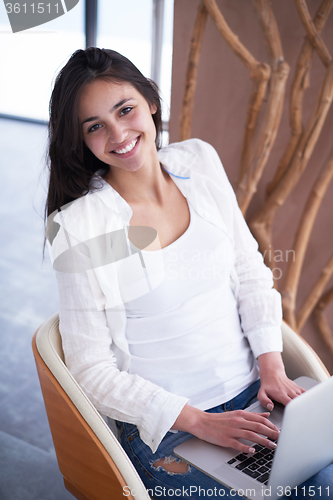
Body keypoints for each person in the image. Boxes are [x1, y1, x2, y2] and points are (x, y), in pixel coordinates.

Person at [45, 47, 332, 499]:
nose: (118, 133)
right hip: (172, 433)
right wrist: (199, 422)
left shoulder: (199, 161)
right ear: (80, 140)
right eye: (95, 126)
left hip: (259, 399)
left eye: (126, 109)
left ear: (151, 102)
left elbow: (249, 270)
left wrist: (272, 367)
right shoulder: (79, 227)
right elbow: (90, 370)